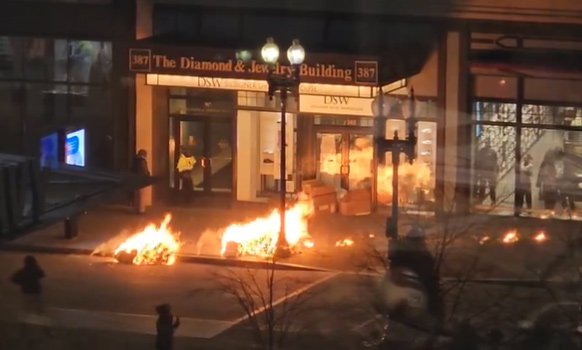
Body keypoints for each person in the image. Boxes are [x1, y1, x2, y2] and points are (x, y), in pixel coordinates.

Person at [10, 256, 47, 327]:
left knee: (26, 311)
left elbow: (12, 279)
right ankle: (45, 329)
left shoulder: (22, 271)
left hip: (26, 293)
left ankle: (23, 328)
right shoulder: (36, 269)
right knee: (40, 311)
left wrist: (21, 283)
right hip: (36, 293)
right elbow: (42, 274)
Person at [475, 140, 499, 205]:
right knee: (482, 186)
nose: (486, 144)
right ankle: (481, 199)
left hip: (490, 172)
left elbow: (495, 162)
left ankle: (493, 200)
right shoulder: (481, 152)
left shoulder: (493, 152)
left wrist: (495, 172)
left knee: (491, 187)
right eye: (485, 143)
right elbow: (478, 162)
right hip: (483, 172)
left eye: (487, 143)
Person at [130, 149, 150, 214]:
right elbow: (145, 170)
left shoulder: (134, 161)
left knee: (136, 195)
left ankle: (136, 208)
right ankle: (141, 210)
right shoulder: (143, 161)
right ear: (143, 155)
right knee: (142, 195)